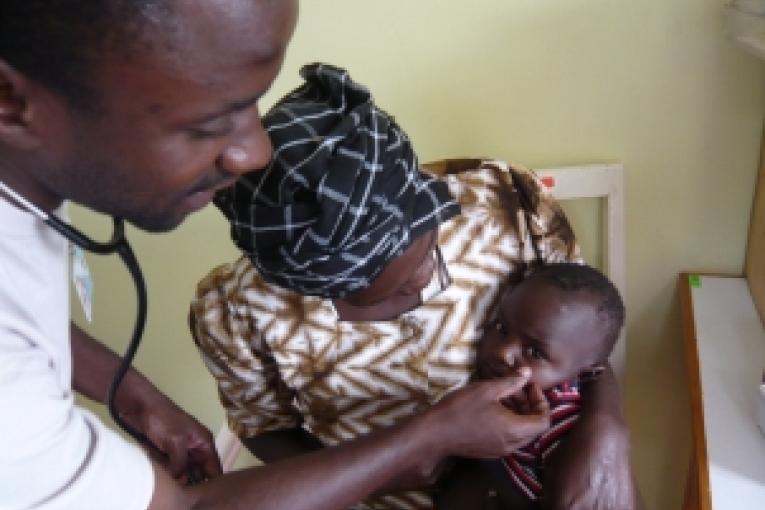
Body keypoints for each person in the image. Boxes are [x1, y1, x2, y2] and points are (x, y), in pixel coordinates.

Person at [0, 2, 555, 510]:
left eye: (256, 106)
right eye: (211, 123)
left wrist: (139, 398)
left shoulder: (503, 208)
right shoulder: (16, 403)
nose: (255, 153)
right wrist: (430, 438)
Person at [190, 64, 637, 509]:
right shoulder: (237, 316)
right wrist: (405, 457)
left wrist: (607, 428)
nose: (428, 278)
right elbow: (265, 430)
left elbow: (581, 333)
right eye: (399, 288)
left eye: (428, 235)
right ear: (319, 291)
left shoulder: (507, 208)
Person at [434, 262, 628, 509]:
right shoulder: (509, 389)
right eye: (502, 328)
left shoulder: (561, 421)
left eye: (534, 351)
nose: (503, 352)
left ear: (585, 371)